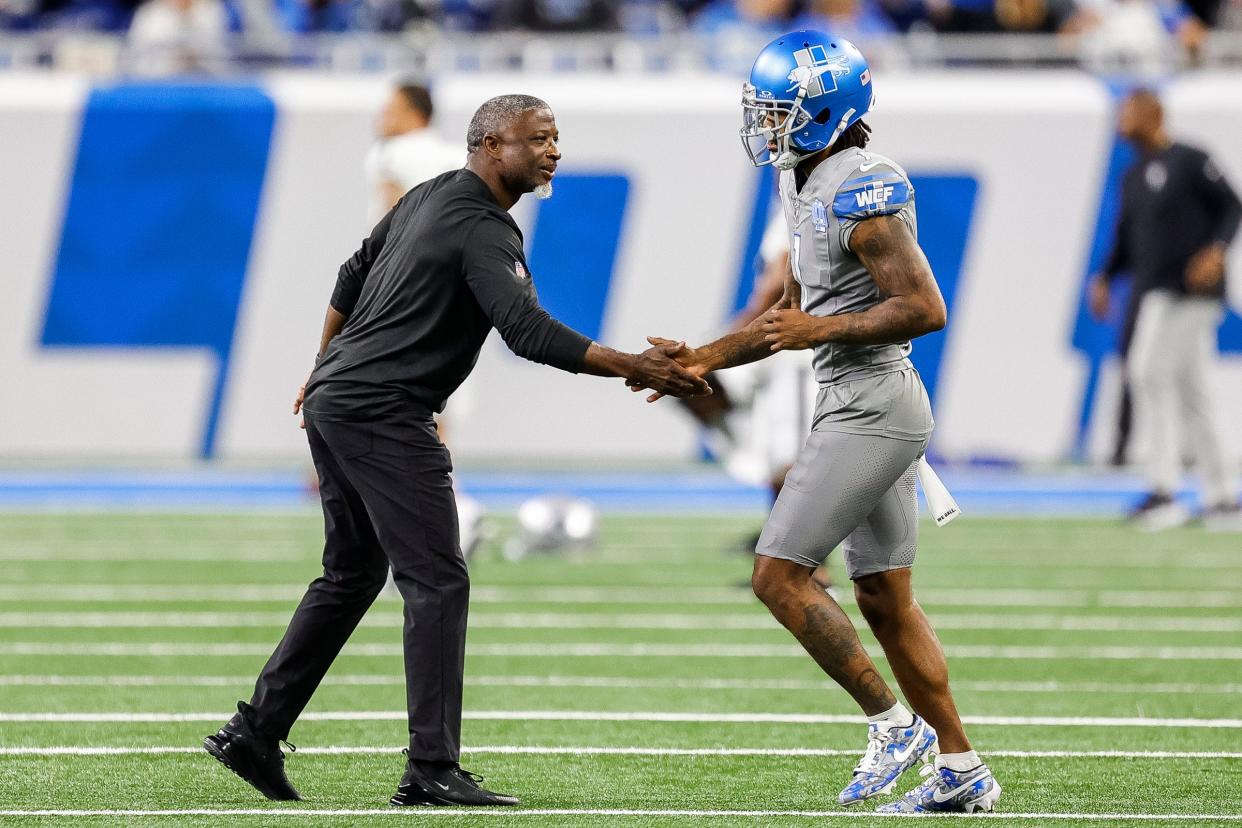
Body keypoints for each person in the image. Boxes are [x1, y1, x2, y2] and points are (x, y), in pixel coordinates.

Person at [203, 94, 710, 808]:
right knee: (439, 580)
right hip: (382, 411)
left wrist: (324, 367)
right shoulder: (483, 227)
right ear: (491, 143)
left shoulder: (429, 196)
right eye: (539, 138)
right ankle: (431, 769)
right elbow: (527, 333)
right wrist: (639, 365)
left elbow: (350, 274)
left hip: (340, 400)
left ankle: (255, 731)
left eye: (557, 138)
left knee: (350, 576)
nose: (554, 151)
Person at [640, 31, 1001, 813]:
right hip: (859, 398)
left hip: (873, 402)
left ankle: (891, 724)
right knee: (884, 601)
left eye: (780, 112)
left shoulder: (860, 188)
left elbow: (923, 308)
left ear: (826, 112)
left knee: (778, 575)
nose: (765, 126)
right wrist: (700, 359)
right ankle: (964, 770)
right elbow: (788, 316)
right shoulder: (805, 181)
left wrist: (822, 332)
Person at [1089, 88, 1242, 531]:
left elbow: (1232, 205)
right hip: (1157, 290)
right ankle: (1221, 498)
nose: (1122, 118)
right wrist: (1104, 276)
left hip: (1192, 292)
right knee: (1193, 390)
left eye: (1129, 110)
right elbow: (1126, 237)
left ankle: (1164, 489)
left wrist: (1216, 250)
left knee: (1147, 371)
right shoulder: (1134, 175)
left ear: (1153, 113)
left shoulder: (1191, 160)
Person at [364, 82, 464, 224]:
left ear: (416, 116)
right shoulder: (461, 157)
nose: (381, 119)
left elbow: (394, 212)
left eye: (389, 112)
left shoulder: (387, 153)